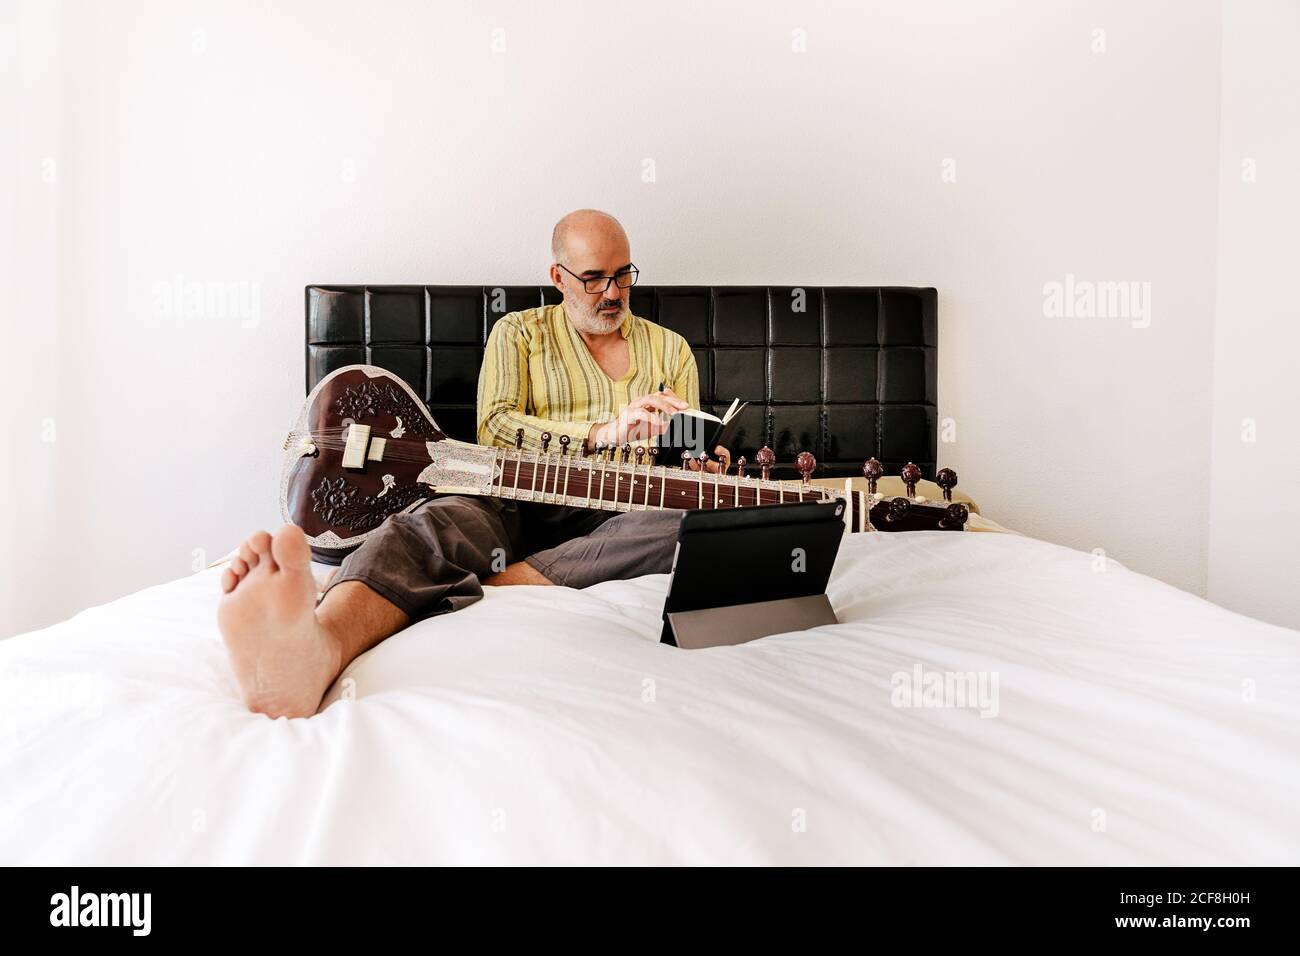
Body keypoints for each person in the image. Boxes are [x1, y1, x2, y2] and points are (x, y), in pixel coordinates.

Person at [217, 209, 723, 718]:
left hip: (620, 512)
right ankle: (315, 647)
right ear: (558, 278)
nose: (612, 292)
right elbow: (495, 428)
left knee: (693, 527)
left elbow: (683, 452)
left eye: (623, 275)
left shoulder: (671, 350)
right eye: (593, 279)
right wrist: (603, 433)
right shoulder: (520, 333)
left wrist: (703, 459)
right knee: (425, 528)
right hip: (513, 493)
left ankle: (512, 578)